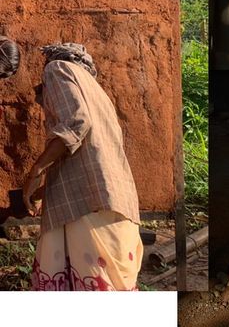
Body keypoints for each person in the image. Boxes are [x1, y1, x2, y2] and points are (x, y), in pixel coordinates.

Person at [23, 43, 143, 291]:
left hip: (87, 204)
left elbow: (76, 122)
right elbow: (89, 154)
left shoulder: (57, 69)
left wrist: (36, 171)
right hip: (117, 199)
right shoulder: (96, 90)